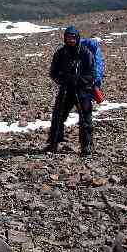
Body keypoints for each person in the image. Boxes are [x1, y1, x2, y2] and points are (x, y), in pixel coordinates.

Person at [47, 25, 99, 155]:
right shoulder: (60, 53)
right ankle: (53, 143)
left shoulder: (85, 53)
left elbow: (92, 73)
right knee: (58, 116)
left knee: (85, 119)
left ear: (77, 38)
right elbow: (53, 72)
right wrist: (63, 79)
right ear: (65, 38)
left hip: (83, 91)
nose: (71, 40)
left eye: (73, 38)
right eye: (68, 37)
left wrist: (79, 80)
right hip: (66, 90)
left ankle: (87, 146)